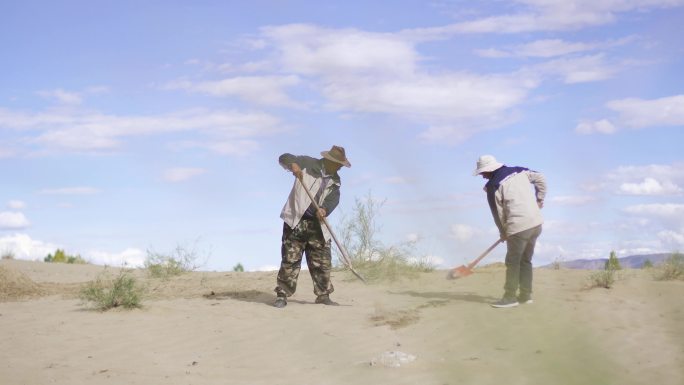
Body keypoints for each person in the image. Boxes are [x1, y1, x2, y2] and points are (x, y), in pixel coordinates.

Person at [273, 145, 351, 308]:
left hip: (318, 224)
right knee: (290, 259)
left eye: (341, 165)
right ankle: (282, 294)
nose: (339, 167)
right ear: (330, 160)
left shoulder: (335, 181)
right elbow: (284, 156)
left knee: (322, 259)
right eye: (338, 164)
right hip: (296, 219)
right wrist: (293, 165)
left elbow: (333, 199)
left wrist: (324, 209)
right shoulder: (307, 163)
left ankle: (323, 295)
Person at [473, 155, 547, 308]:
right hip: (536, 224)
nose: (482, 176)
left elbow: (497, 214)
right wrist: (539, 199)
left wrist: (503, 232)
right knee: (525, 261)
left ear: (489, 170)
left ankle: (509, 298)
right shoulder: (519, 171)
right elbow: (541, 177)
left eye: (482, 173)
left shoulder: (493, 186)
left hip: (518, 227)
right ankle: (525, 296)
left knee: (513, 263)